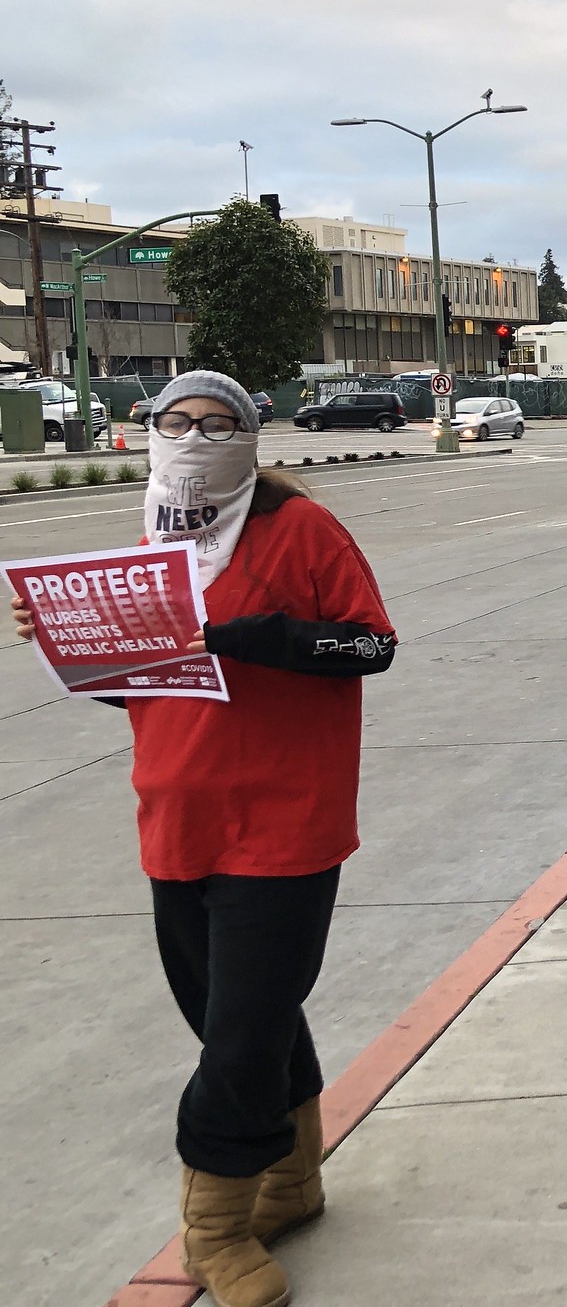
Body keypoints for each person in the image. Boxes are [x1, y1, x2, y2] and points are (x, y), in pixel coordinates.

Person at [10, 371, 396, 1307]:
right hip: (175, 821)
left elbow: (371, 645)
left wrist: (254, 636)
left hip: (284, 824)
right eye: (174, 421)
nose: (192, 437)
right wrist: (70, 646)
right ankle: (294, 1183)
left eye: (216, 424)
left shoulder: (302, 531)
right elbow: (148, 685)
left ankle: (214, 1227)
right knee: (243, 1020)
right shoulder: (154, 541)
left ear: (250, 438)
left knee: (236, 1040)